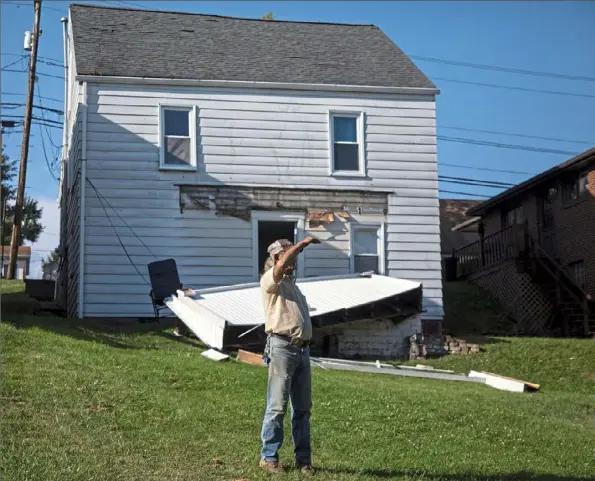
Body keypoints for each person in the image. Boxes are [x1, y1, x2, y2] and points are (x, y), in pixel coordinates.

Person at [258, 236, 320, 475]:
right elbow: (283, 265)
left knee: (302, 408)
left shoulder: (292, 285)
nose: (294, 259)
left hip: (302, 349)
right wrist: (302, 243)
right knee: (277, 406)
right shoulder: (270, 281)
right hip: (282, 347)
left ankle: (303, 461)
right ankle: (269, 457)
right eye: (288, 254)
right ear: (276, 258)